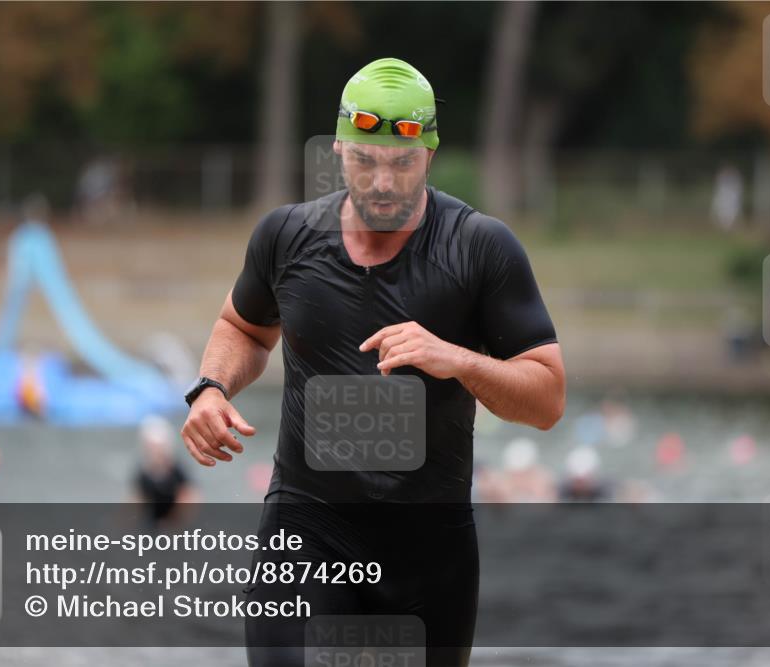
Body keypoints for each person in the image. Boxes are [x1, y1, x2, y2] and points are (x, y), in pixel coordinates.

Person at [180, 57, 565, 667]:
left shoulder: (480, 248)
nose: (383, 183)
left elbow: (547, 399)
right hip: (306, 531)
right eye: (365, 160)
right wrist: (209, 387)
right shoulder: (286, 236)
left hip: (429, 552)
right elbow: (243, 328)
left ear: (430, 153)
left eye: (402, 162)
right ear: (338, 147)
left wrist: (457, 360)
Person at [132, 415, 198, 529]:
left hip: (176, 522)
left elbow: (190, 495)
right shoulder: (143, 471)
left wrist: (174, 521)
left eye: (157, 447)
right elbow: (138, 497)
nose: (155, 451)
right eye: (151, 447)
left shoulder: (176, 469)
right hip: (153, 523)